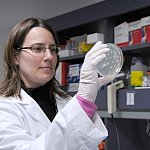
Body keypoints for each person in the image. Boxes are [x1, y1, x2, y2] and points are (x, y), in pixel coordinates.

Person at [0, 17, 114, 150]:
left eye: (53, 49)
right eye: (38, 49)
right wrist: (83, 102)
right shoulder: (4, 107)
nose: (49, 56)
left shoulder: (66, 102)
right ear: (15, 57)